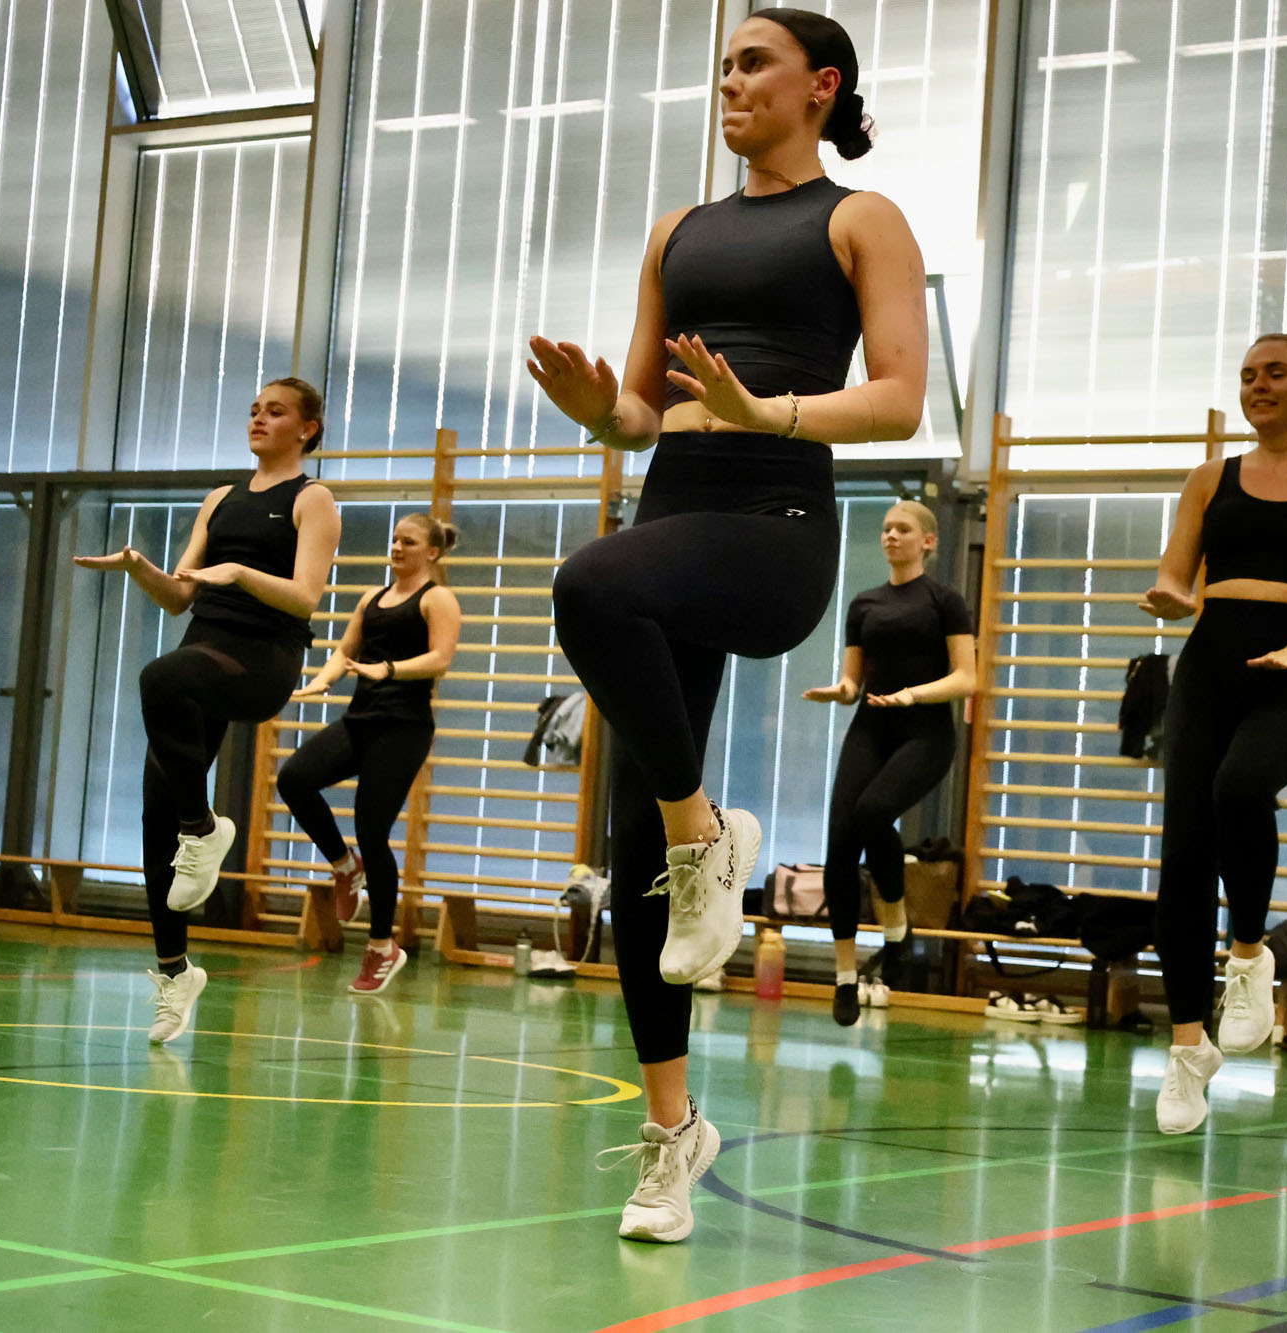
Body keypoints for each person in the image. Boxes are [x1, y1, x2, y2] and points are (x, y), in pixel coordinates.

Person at [529, 7, 927, 1243]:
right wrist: (600, 412)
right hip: (673, 514)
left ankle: (704, 831)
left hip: (772, 520)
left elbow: (899, 400)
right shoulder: (677, 231)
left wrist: (768, 410)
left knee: (587, 585)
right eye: (722, 67)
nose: (730, 82)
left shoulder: (859, 218)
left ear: (820, 85)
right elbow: (644, 416)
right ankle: (672, 1135)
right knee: (629, 836)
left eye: (754, 63)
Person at [1138, 333, 1287, 1134]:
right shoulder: (1210, 477)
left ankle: (1249, 953)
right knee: (1184, 855)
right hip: (1211, 663)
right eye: (1248, 375)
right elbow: (1177, 571)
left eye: (1276, 373)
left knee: (1241, 787)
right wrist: (1172, 594)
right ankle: (1187, 1051)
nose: (1258, 385)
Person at [75, 379, 339, 1045]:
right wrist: (139, 566)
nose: (259, 418)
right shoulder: (220, 498)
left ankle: (204, 828)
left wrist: (240, 573)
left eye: (275, 411)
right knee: (153, 814)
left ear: (308, 428)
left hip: (262, 659)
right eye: (254, 410)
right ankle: (175, 973)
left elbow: (306, 597)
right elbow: (177, 595)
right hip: (202, 655)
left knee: (159, 675)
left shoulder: (312, 499)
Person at [804, 500, 974, 1025]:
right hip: (871, 726)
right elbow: (853, 680)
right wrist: (840, 690)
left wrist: (913, 695)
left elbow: (967, 678)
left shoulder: (944, 601)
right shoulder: (864, 604)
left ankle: (897, 928)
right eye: (885, 529)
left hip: (925, 732)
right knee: (840, 845)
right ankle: (845, 978)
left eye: (902, 529)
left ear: (928, 541)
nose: (891, 536)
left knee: (874, 811)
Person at [278, 513, 461, 995]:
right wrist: (322, 681)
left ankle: (382, 946)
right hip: (360, 720)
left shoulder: (437, 599)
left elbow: (441, 658)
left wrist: (390, 669)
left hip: (403, 728)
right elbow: (345, 651)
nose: (397, 547)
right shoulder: (371, 598)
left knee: (372, 831)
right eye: (394, 539)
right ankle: (344, 865)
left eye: (409, 541)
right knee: (294, 779)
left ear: (432, 552)